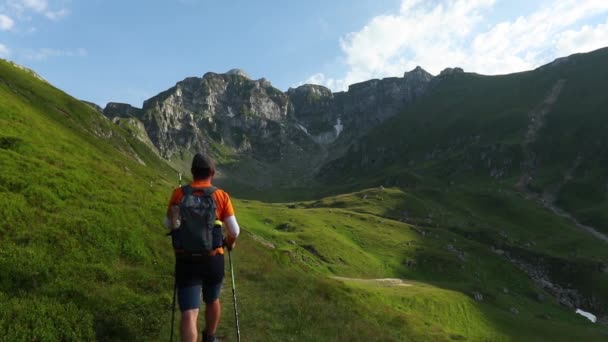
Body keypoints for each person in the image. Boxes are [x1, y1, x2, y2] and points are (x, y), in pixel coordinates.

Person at [165, 153, 240, 342]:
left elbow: (167, 223)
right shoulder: (221, 196)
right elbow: (234, 230)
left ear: (192, 172)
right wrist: (229, 243)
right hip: (213, 259)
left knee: (189, 313)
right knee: (212, 300)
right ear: (212, 173)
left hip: (186, 260)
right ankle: (210, 336)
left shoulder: (179, 194)